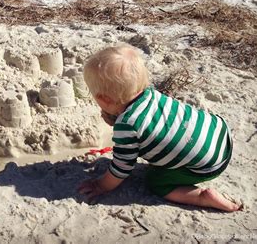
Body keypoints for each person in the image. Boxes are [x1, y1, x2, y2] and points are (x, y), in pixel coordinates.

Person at [77, 43, 241, 212]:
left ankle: (202, 197)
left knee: (156, 181)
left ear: (105, 100)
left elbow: (122, 167)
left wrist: (101, 185)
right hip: (220, 132)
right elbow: (151, 122)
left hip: (208, 165)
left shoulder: (127, 125)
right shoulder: (151, 94)